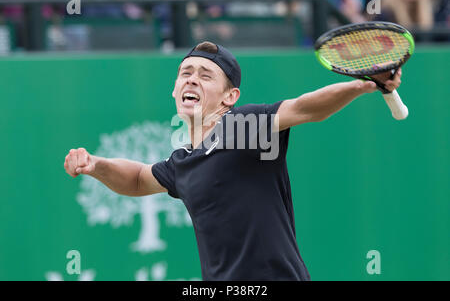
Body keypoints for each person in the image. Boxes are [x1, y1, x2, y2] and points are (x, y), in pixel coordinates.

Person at [64, 41, 402, 280]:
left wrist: (360, 86)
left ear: (230, 97)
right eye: (186, 73)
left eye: (205, 75)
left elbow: (304, 108)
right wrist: (96, 166)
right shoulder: (183, 162)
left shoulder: (244, 128)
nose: (192, 79)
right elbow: (138, 179)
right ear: (174, 90)